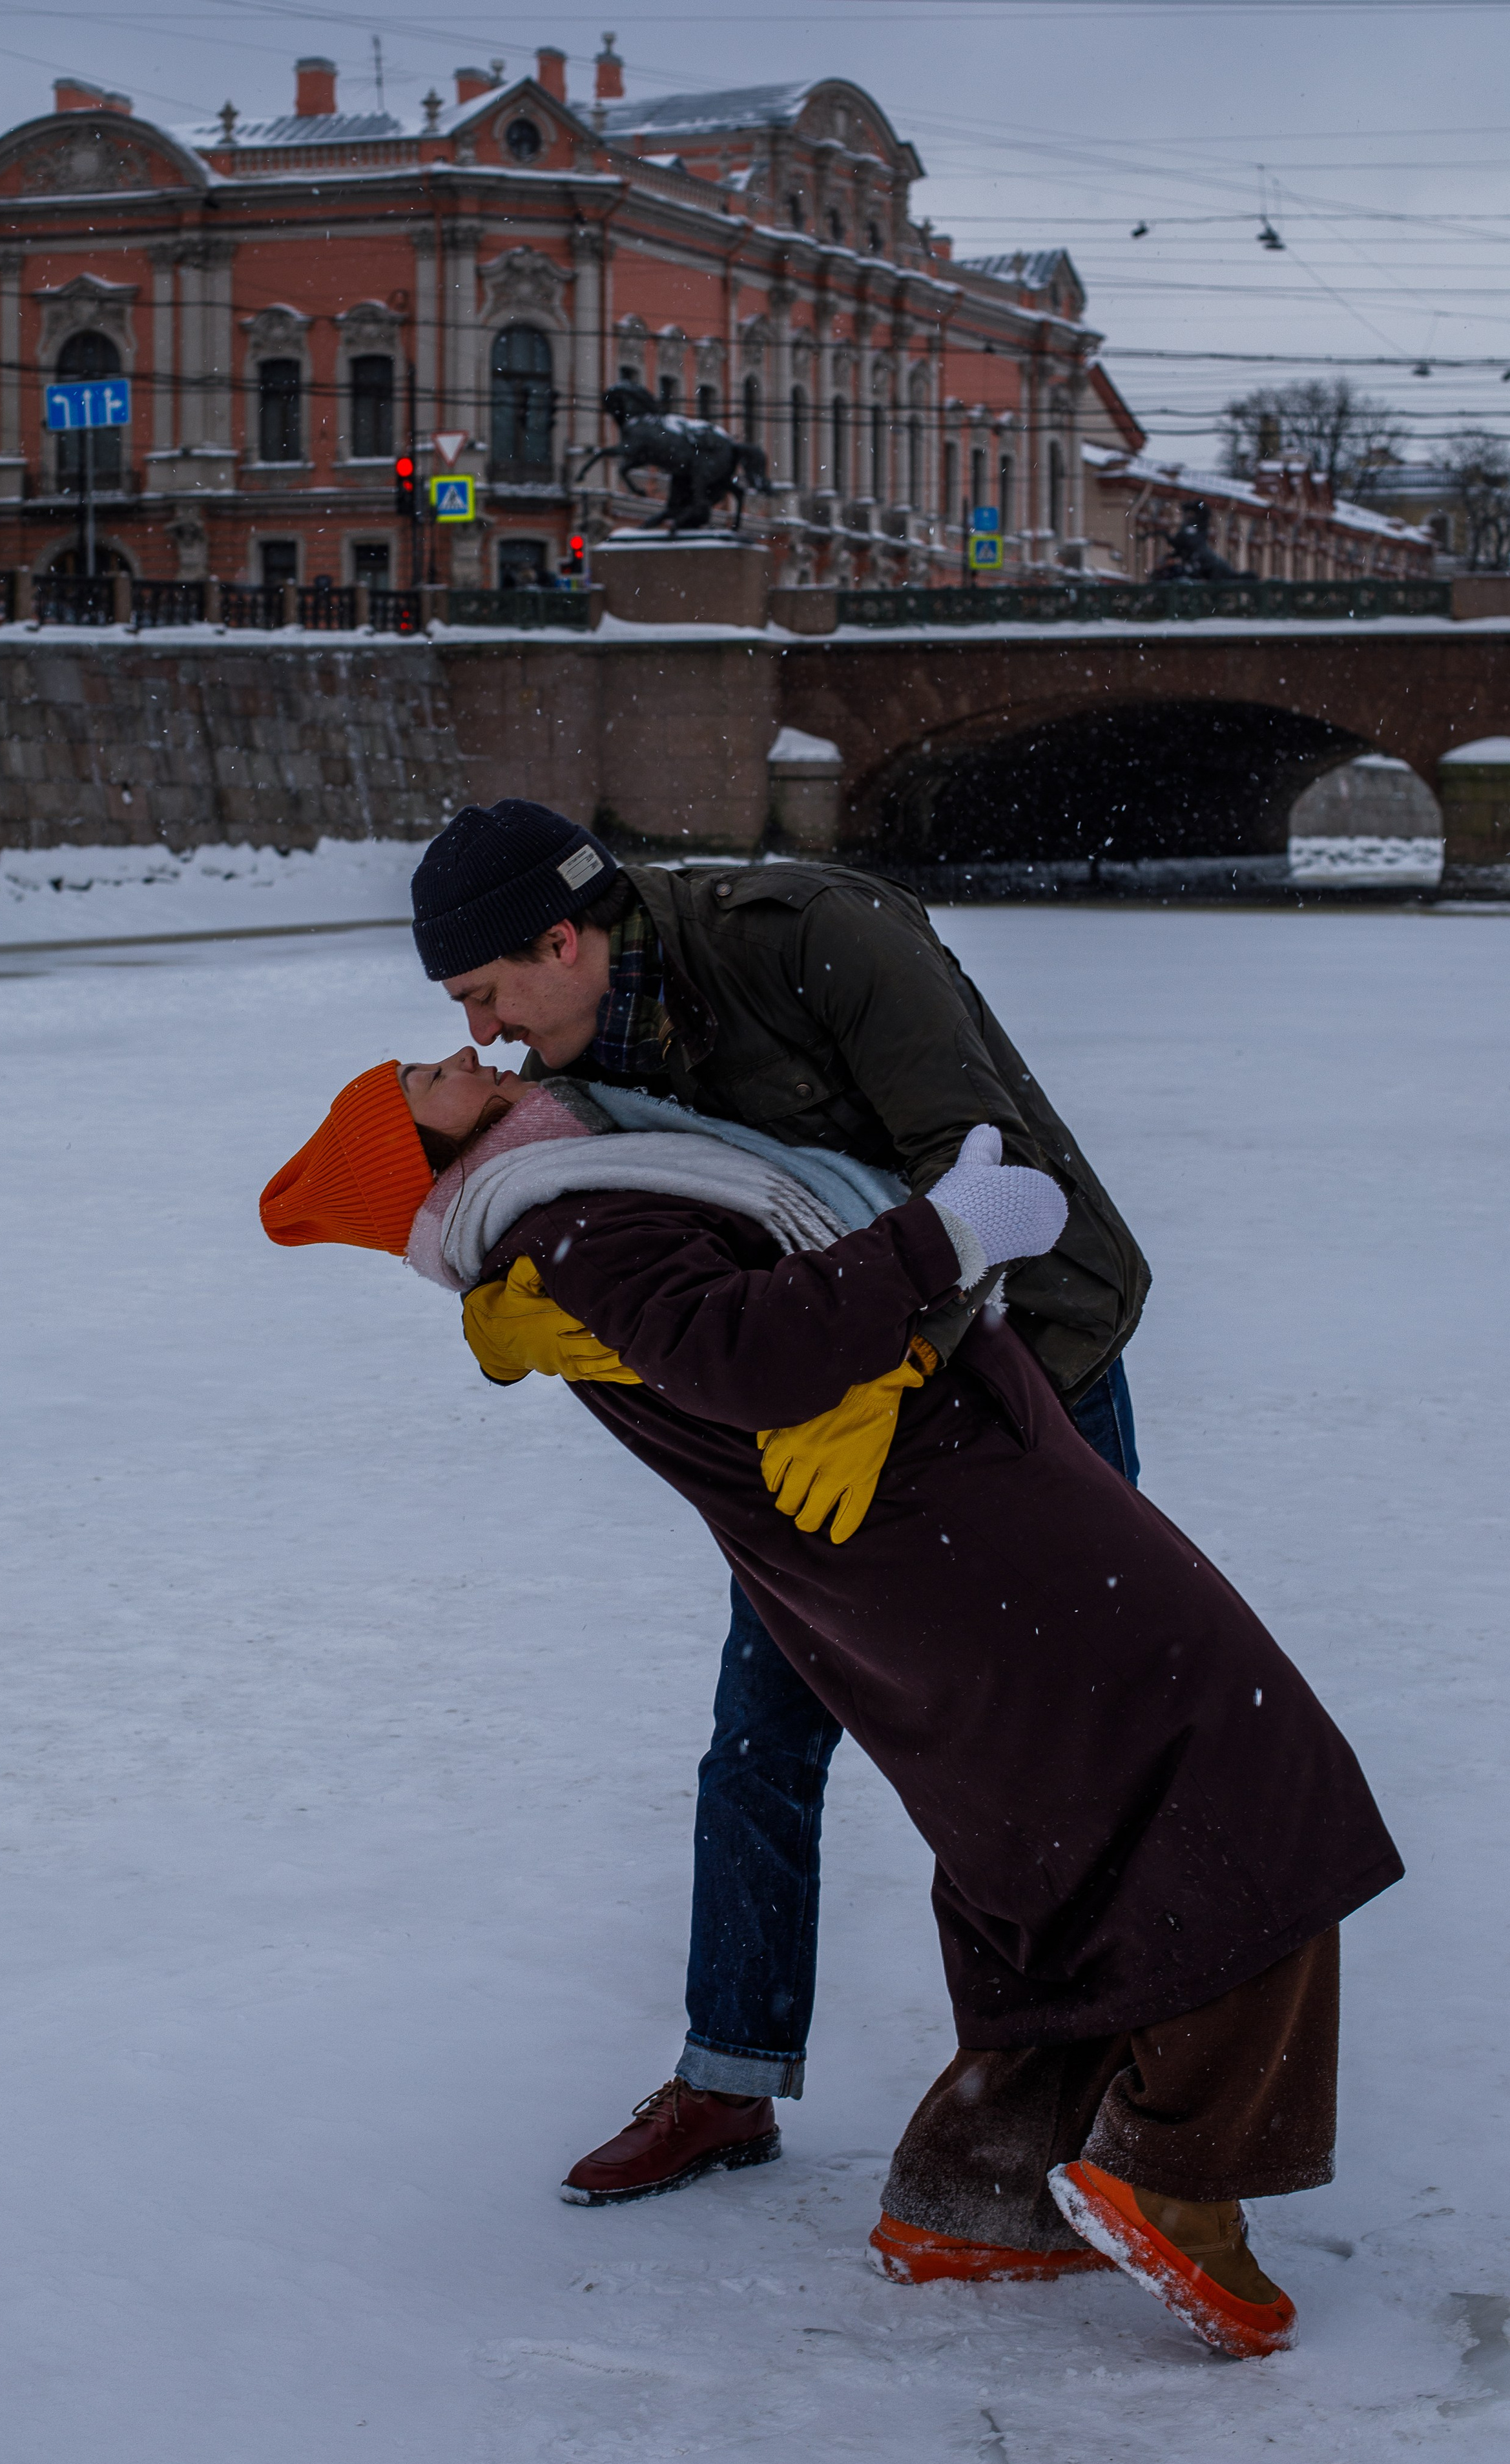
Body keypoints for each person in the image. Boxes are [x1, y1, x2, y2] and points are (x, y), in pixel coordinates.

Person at [259, 1052, 1402, 2361]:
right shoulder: (570, 1213)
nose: (460, 1049)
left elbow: (736, 1323)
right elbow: (750, 1355)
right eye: (424, 1076)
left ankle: (978, 2196)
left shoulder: (572, 1193)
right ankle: (1179, 2172)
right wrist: (946, 1231)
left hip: (909, 1544)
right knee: (1244, 1768)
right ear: (425, 1155)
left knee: (1039, 1839)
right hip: (960, 1521)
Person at [406, 799, 1149, 2200]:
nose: (486, 1031)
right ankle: (726, 2079)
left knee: (1054, 1751)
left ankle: (1110, 2096)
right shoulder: (586, 1056)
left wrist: (895, 1372)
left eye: (485, 991)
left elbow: (997, 1186)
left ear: (563, 940)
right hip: (825, 1412)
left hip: (1027, 1366)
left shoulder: (819, 939)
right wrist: (510, 1301)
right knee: (758, 1739)